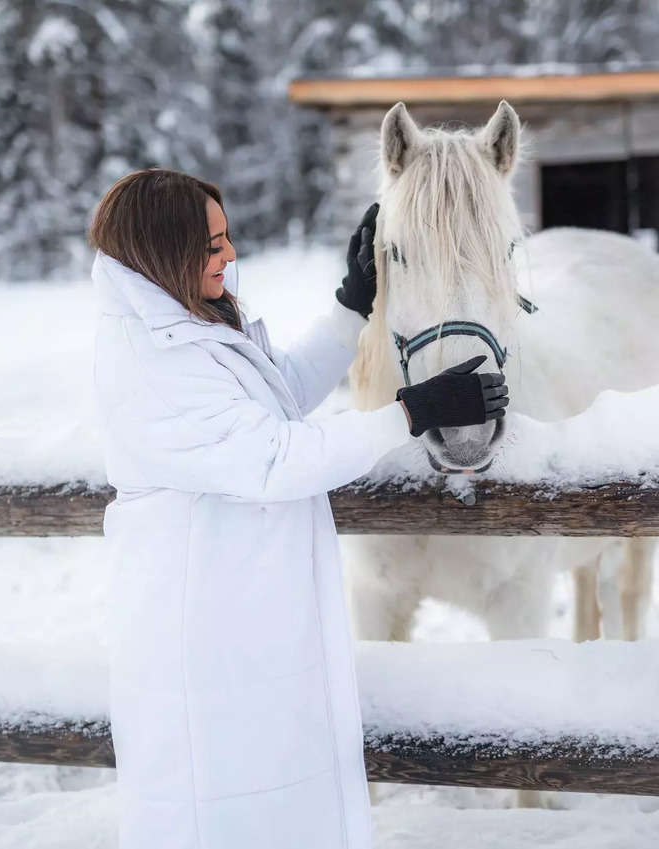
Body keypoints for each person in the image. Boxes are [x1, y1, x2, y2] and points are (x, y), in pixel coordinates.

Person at [89, 168, 508, 849]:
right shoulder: (149, 360)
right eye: (212, 245)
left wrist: (352, 304)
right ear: (163, 251)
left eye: (226, 238)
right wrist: (412, 410)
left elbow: (279, 391)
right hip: (203, 643)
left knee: (272, 804)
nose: (229, 256)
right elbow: (275, 459)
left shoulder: (181, 325)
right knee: (218, 813)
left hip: (242, 621)